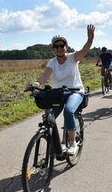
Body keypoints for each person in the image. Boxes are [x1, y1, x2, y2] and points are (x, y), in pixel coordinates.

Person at [25, 24, 95, 155]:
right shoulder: (52, 62)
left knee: (68, 111)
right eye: (56, 46)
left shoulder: (73, 58)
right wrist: (35, 83)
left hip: (75, 92)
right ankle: (56, 143)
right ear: (53, 49)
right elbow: (45, 75)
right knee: (48, 118)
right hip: (58, 94)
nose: (59, 48)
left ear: (66, 47)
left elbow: (84, 51)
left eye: (62, 46)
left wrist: (90, 40)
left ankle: (73, 143)